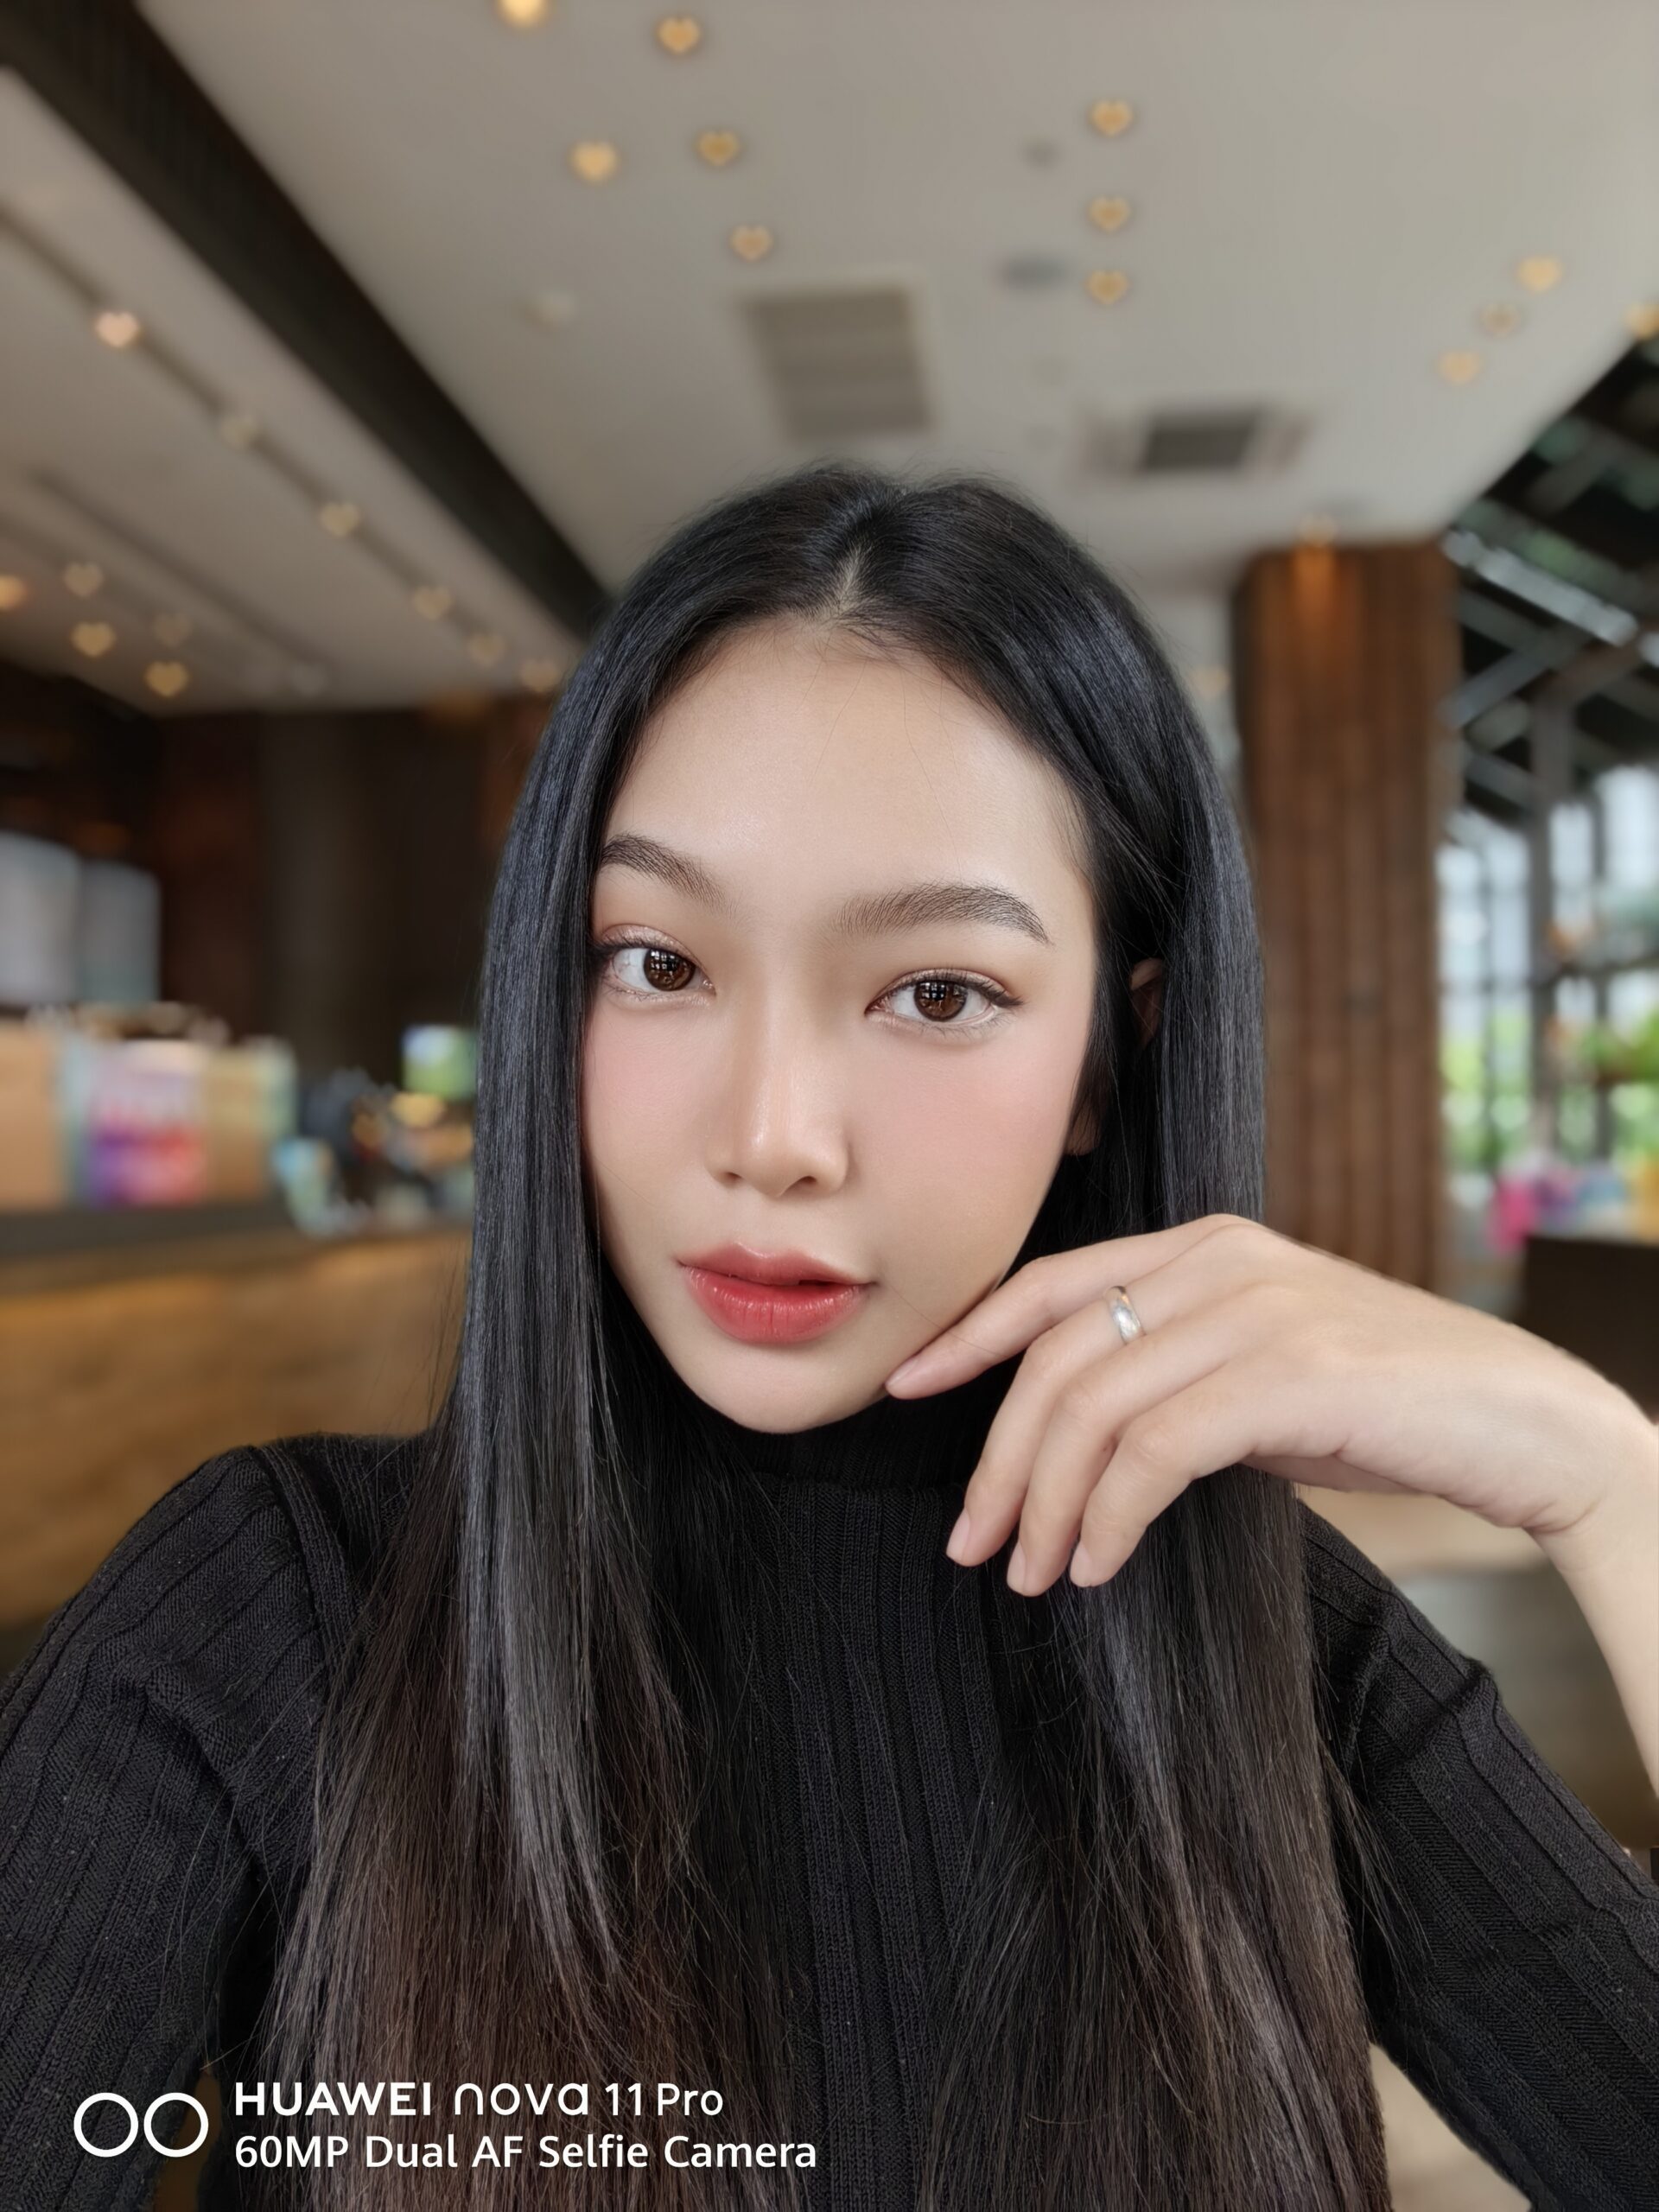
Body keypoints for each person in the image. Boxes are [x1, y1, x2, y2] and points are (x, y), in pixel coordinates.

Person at [2, 462, 1656, 2212]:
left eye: (937, 992)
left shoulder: (1264, 1647)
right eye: (658, 962)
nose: (775, 1135)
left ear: (1107, 1059)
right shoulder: (269, 1615)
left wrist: (1607, 1474)